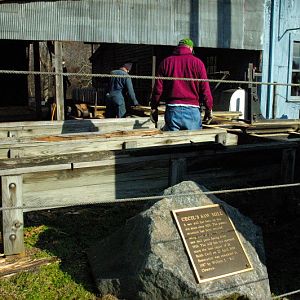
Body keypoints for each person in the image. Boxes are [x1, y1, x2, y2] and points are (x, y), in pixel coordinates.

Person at [150, 38, 213, 130]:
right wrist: (209, 108)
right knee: (193, 141)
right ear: (191, 48)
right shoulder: (198, 63)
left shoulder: (166, 62)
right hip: (192, 109)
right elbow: (205, 89)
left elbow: (158, 89)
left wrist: (154, 107)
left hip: (173, 109)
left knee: (173, 142)